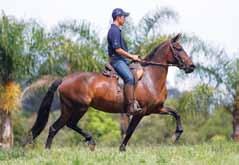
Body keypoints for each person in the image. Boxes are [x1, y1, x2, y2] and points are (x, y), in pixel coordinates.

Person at [107, 8, 142, 115]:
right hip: (117, 60)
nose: (125, 19)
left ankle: (135, 98)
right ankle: (130, 106)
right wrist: (132, 56)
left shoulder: (118, 30)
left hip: (122, 60)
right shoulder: (114, 30)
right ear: (118, 17)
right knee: (129, 78)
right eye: (124, 17)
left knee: (139, 70)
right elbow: (117, 49)